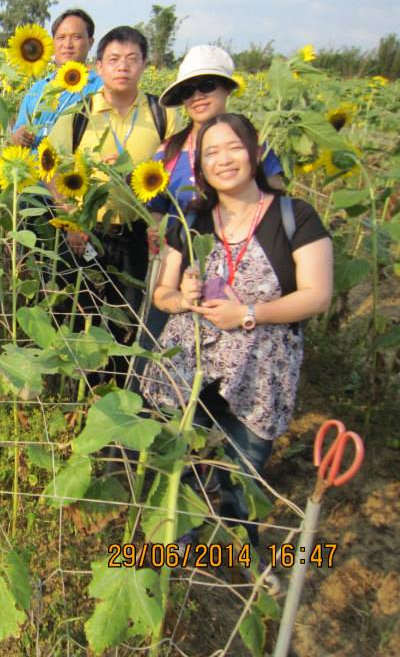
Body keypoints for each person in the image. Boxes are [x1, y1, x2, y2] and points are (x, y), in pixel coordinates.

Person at [142, 113, 333, 546]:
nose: (224, 160)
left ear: (254, 152)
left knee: (243, 468)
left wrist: (246, 313)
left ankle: (236, 549)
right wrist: (184, 299)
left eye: (234, 147)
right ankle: (180, 547)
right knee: (178, 461)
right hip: (190, 366)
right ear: (201, 167)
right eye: (211, 152)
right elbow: (163, 294)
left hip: (261, 370)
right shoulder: (193, 219)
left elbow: (317, 295)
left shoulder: (294, 216)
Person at [46, 26, 179, 354]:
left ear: (145, 65)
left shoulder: (163, 115)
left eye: (132, 59)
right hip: (84, 231)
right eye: (114, 59)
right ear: (99, 67)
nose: (123, 67)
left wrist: (157, 226)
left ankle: (115, 381)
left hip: (137, 234)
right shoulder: (79, 114)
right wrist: (72, 222)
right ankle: (73, 383)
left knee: (127, 315)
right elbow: (51, 170)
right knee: (74, 306)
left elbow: (173, 173)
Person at [150, 45, 284, 218]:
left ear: (227, 89)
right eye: (187, 91)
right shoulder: (167, 151)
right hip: (179, 244)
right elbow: (156, 208)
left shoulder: (253, 143)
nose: (197, 96)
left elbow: (276, 198)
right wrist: (157, 234)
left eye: (207, 85)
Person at [11, 8, 104, 149]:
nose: (67, 45)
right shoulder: (38, 89)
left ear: (90, 42)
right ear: (53, 43)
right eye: (61, 37)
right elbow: (18, 131)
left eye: (76, 37)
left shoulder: (101, 88)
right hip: (33, 168)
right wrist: (18, 136)